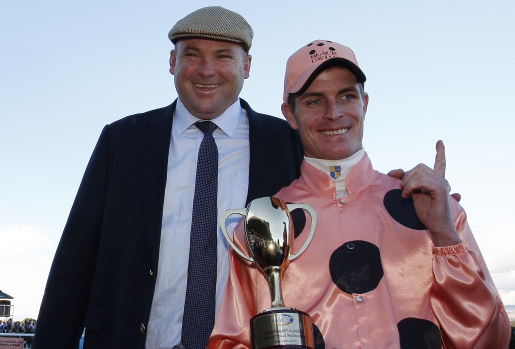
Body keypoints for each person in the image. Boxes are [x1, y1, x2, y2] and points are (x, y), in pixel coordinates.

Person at [208, 40, 511, 348]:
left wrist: (445, 236)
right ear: (290, 114)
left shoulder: (433, 207)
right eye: (315, 101)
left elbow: (494, 339)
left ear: (364, 103)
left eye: (347, 96)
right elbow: (231, 340)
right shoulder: (262, 226)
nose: (334, 113)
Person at [33, 6, 304, 349]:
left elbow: (340, 202)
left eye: (223, 56)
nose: (206, 70)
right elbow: (74, 263)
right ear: (173, 62)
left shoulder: (288, 145)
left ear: (246, 66)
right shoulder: (123, 141)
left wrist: (393, 188)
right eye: (191, 54)